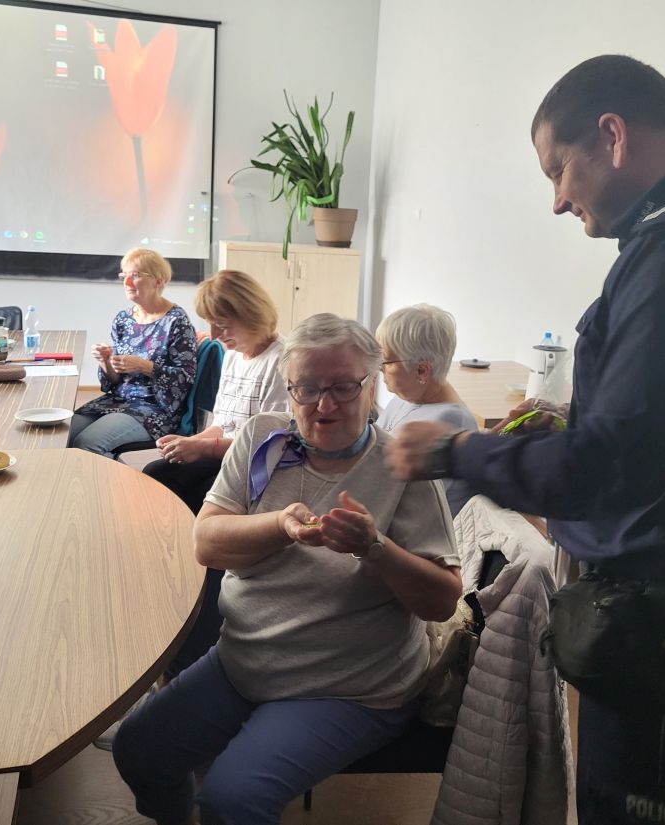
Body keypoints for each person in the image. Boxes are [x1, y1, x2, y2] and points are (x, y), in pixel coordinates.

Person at [385, 55, 665, 825]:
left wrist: (454, 453)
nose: (558, 200)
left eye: (558, 169)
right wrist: (576, 421)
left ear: (613, 136)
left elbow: (602, 469)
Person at [113, 313, 461, 825]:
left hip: (348, 686)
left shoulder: (403, 467)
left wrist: (375, 547)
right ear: (289, 388)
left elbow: (443, 601)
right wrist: (280, 525)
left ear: (371, 388)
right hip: (245, 658)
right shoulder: (263, 437)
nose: (324, 405)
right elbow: (207, 544)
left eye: (343, 387)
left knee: (232, 800)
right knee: (139, 750)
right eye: (308, 388)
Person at [143, 269, 290, 514]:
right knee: (156, 474)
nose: (213, 335)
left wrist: (203, 447)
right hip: (227, 456)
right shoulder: (233, 355)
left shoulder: (281, 362)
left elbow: (269, 447)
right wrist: (188, 442)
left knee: (200, 496)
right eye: (210, 324)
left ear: (251, 316)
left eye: (221, 325)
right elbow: (222, 424)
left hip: (257, 466)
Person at [69, 248, 197, 457]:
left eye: (135, 275)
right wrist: (105, 361)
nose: (127, 283)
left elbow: (185, 378)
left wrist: (145, 366)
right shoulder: (123, 319)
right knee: (62, 433)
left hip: (154, 408)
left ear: (158, 281)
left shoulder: (176, 321)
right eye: (124, 276)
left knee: (86, 444)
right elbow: (113, 382)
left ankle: (118, 479)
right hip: (118, 400)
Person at [376, 304, 478, 516]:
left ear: (421, 370)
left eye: (386, 361)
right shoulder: (406, 397)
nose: (379, 368)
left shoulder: (449, 421)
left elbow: (412, 502)